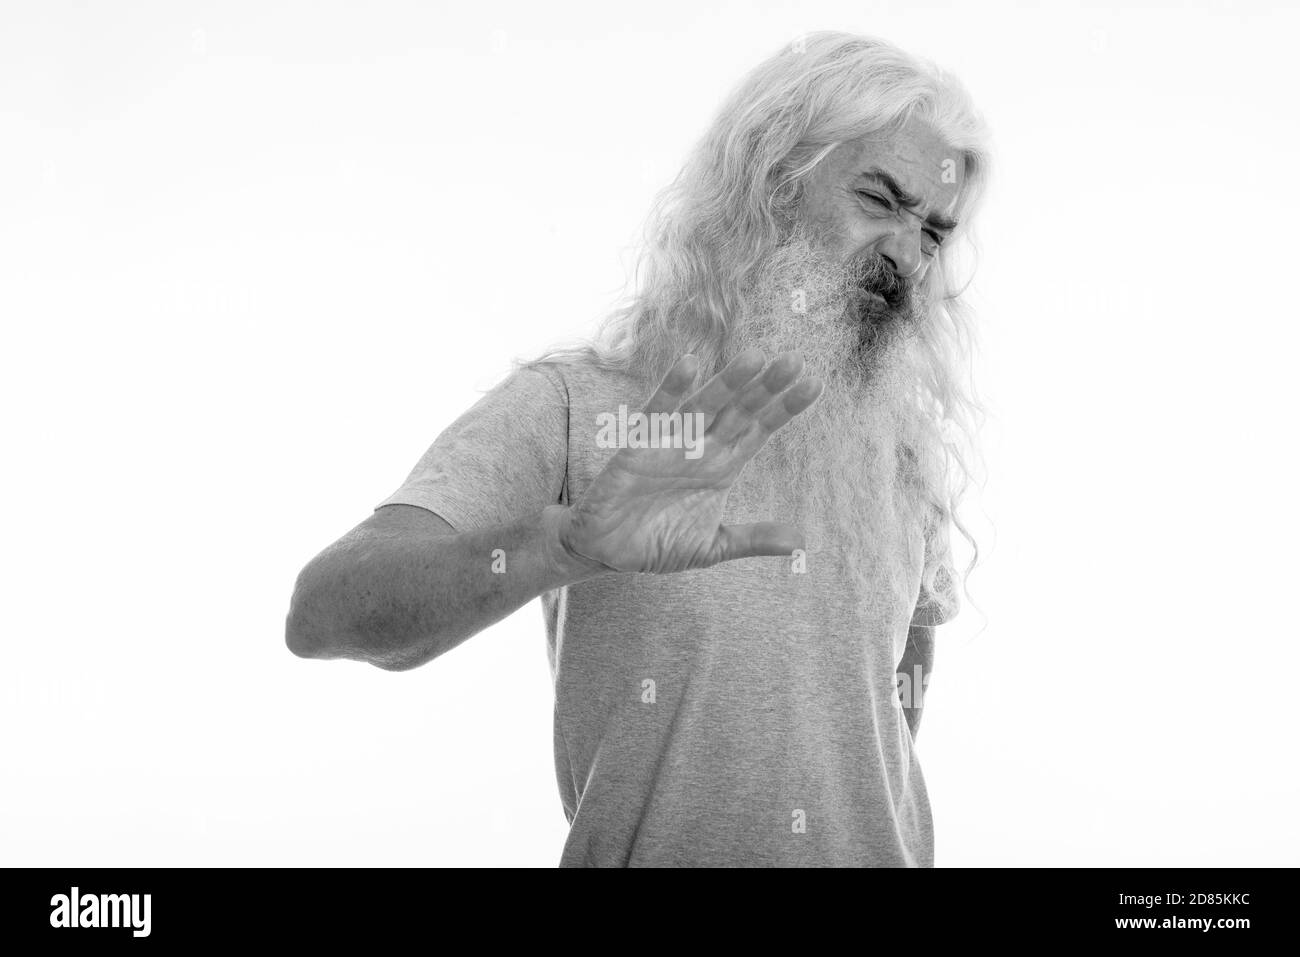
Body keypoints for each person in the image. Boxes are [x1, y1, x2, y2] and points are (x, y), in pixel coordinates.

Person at [286, 30, 990, 867]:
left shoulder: (897, 445)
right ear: (770, 184)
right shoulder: (579, 402)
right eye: (879, 198)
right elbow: (322, 614)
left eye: (935, 233)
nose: (907, 255)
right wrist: (561, 545)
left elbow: (890, 702)